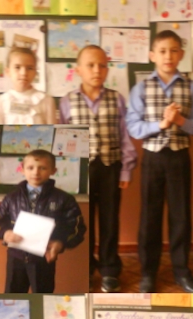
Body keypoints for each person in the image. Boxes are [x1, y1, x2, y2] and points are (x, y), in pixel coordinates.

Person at [126, 30, 193, 293]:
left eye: (173, 50)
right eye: (162, 51)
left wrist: (180, 121)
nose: (168, 56)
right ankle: (148, 273)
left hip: (179, 157)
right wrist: (160, 124)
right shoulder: (141, 88)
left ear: (181, 54)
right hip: (152, 158)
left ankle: (182, 272)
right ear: (152, 55)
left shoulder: (192, 88)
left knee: (181, 216)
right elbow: (133, 126)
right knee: (149, 217)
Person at [60, 45, 137, 292]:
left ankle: (109, 269)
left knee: (110, 221)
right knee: (82, 221)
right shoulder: (67, 102)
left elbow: (125, 136)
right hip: (80, 172)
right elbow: (61, 141)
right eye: (91, 65)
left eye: (102, 65)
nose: (97, 70)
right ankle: (85, 268)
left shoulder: (117, 99)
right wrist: (65, 175)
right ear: (78, 70)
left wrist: (126, 169)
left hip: (110, 168)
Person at [0, 150, 86, 292]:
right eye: (30, 167)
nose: (36, 172)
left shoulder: (64, 199)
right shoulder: (11, 198)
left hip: (44, 258)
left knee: (43, 295)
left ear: (53, 171)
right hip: (16, 257)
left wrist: (60, 243)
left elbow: (77, 228)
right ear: (22, 170)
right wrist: (4, 233)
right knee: (13, 295)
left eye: (43, 168)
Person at [0, 47, 56, 125]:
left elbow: (52, 130)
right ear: (8, 71)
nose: (23, 73)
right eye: (17, 67)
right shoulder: (0, 103)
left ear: (35, 72)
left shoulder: (46, 101)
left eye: (29, 68)